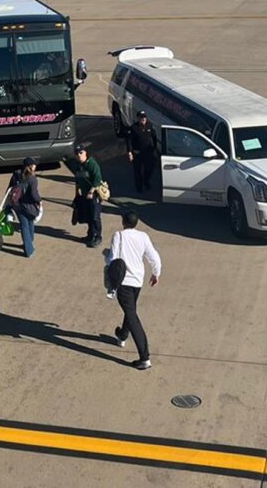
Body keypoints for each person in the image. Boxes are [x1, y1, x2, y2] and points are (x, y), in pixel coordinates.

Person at [108, 210, 162, 370]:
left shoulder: (119, 235)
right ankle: (122, 335)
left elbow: (113, 258)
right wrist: (156, 273)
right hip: (138, 281)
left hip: (123, 282)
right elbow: (154, 257)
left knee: (132, 316)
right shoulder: (143, 237)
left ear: (123, 222)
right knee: (130, 309)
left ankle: (144, 358)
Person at [66, 143, 104, 247]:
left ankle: (97, 237)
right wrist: (77, 192)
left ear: (85, 153)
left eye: (81, 153)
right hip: (84, 195)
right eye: (77, 154)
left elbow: (97, 179)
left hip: (94, 195)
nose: (79, 155)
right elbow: (78, 179)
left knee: (95, 217)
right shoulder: (78, 165)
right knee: (88, 216)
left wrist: (91, 191)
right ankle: (90, 235)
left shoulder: (91, 164)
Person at [8, 157, 41, 257]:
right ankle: (29, 249)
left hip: (17, 204)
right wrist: (40, 201)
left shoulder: (16, 174)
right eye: (34, 164)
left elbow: (10, 188)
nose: (36, 166)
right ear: (31, 166)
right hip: (29, 205)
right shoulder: (32, 179)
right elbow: (34, 195)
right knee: (29, 223)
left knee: (24, 225)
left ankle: (28, 244)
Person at [126, 111, 160, 198]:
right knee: (137, 171)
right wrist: (130, 152)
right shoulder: (133, 128)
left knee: (149, 168)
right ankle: (139, 186)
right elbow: (129, 141)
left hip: (148, 152)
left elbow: (154, 136)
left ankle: (146, 181)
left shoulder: (149, 125)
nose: (143, 119)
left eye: (144, 117)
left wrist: (155, 148)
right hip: (137, 153)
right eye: (141, 118)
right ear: (138, 118)